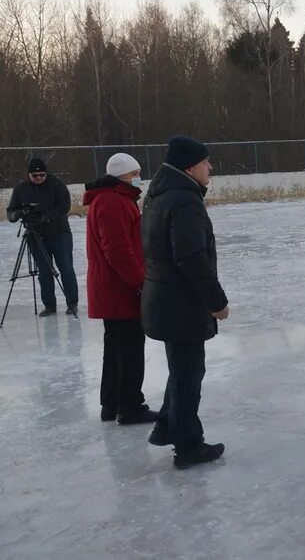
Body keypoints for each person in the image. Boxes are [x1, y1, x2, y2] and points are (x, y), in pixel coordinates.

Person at [142, 136, 229, 470]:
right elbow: (192, 259)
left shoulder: (159, 195)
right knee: (189, 372)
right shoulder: (184, 201)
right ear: (190, 167)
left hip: (164, 300)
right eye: (206, 162)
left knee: (181, 369)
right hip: (180, 303)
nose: (211, 167)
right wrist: (217, 302)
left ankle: (168, 424)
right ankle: (188, 444)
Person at [84, 153, 158, 425]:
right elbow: (117, 250)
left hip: (114, 288)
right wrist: (140, 283)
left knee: (116, 346)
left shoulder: (112, 198)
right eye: (135, 173)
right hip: (119, 290)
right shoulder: (112, 201)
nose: (138, 177)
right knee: (128, 348)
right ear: (124, 175)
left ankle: (111, 402)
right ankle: (129, 405)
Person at [5, 158, 79, 316]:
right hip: (35, 236)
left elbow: (64, 206)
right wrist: (16, 215)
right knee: (44, 272)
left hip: (59, 234)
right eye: (35, 175)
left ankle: (72, 302)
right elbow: (11, 211)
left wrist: (46, 216)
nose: (39, 178)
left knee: (66, 269)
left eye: (42, 175)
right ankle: (50, 305)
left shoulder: (56, 184)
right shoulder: (21, 188)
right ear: (29, 175)